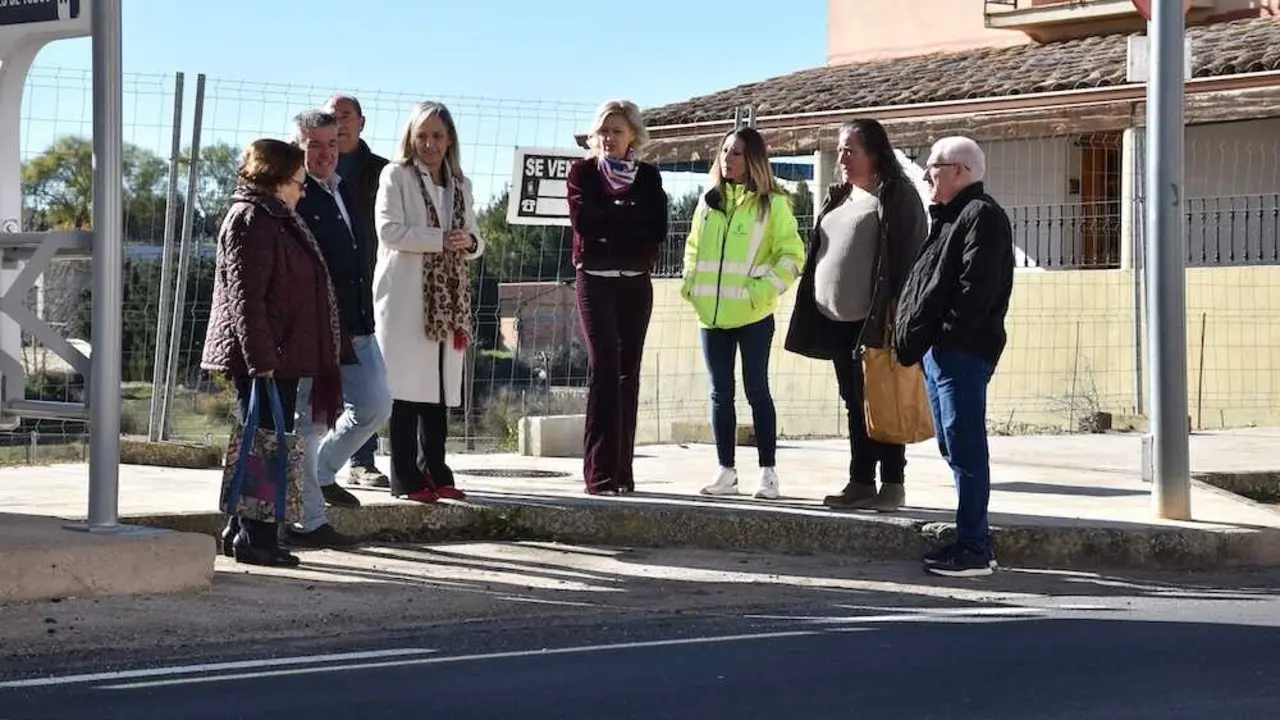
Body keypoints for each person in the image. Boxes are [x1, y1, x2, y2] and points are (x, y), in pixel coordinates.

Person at [201, 138, 350, 567]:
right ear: (276, 179)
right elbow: (247, 300)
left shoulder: (274, 216)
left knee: (265, 442)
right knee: (266, 444)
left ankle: (245, 529)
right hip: (265, 357)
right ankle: (257, 537)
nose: (303, 191)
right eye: (298, 182)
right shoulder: (252, 219)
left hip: (277, 354)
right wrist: (262, 360)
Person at [784, 119, 927, 513]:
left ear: (875, 153)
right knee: (855, 402)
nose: (842, 158)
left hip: (875, 321)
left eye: (851, 150)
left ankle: (893, 483)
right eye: (841, 149)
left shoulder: (897, 198)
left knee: (882, 399)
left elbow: (909, 261)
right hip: (835, 322)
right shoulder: (838, 198)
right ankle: (860, 481)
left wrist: (900, 316)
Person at [894, 136, 1014, 578]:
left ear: (961, 171)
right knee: (952, 443)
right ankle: (972, 538)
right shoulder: (949, 218)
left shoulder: (981, 216)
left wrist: (943, 337)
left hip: (960, 352)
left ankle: (975, 547)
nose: (927, 174)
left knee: (964, 445)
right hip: (942, 352)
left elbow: (973, 290)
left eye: (934, 166)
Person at [681, 127, 805, 500]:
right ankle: (726, 472)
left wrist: (759, 292)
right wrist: (690, 284)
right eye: (724, 152)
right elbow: (692, 247)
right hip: (712, 317)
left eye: (736, 153)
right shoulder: (708, 202)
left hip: (753, 316)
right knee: (720, 394)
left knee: (757, 391)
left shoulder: (773, 204)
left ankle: (768, 473)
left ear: (753, 161)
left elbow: (792, 256)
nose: (727, 159)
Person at [290, 109, 393, 548]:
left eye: (332, 144)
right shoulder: (295, 196)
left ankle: (323, 473)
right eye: (315, 144)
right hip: (314, 329)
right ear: (298, 146)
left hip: (358, 321)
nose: (326, 153)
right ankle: (309, 521)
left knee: (374, 405)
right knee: (307, 424)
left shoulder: (345, 189)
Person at [374, 101, 484, 503]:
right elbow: (390, 231)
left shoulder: (460, 183)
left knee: (438, 389)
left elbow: (473, 236)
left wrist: (468, 243)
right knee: (405, 388)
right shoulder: (396, 175)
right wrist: (441, 240)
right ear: (411, 137)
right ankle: (405, 477)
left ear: (449, 138)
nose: (429, 143)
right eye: (422, 135)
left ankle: (436, 469)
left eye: (437, 135)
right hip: (406, 296)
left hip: (448, 299)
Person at [566, 99, 668, 495]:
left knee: (629, 372)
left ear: (633, 136)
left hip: (635, 282)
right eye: (604, 131)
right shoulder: (582, 173)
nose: (609, 138)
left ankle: (623, 472)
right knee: (605, 369)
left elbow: (655, 228)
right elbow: (584, 221)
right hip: (595, 279)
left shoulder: (649, 179)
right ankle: (599, 473)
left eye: (617, 131)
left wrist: (613, 219)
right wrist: (625, 217)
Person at [325, 93, 392, 490]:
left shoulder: (382, 171)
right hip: (324, 288)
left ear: (361, 122)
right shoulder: (311, 168)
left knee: (371, 380)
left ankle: (362, 460)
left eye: (347, 116)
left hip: (372, 284)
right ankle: (317, 467)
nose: (340, 122)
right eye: (333, 117)